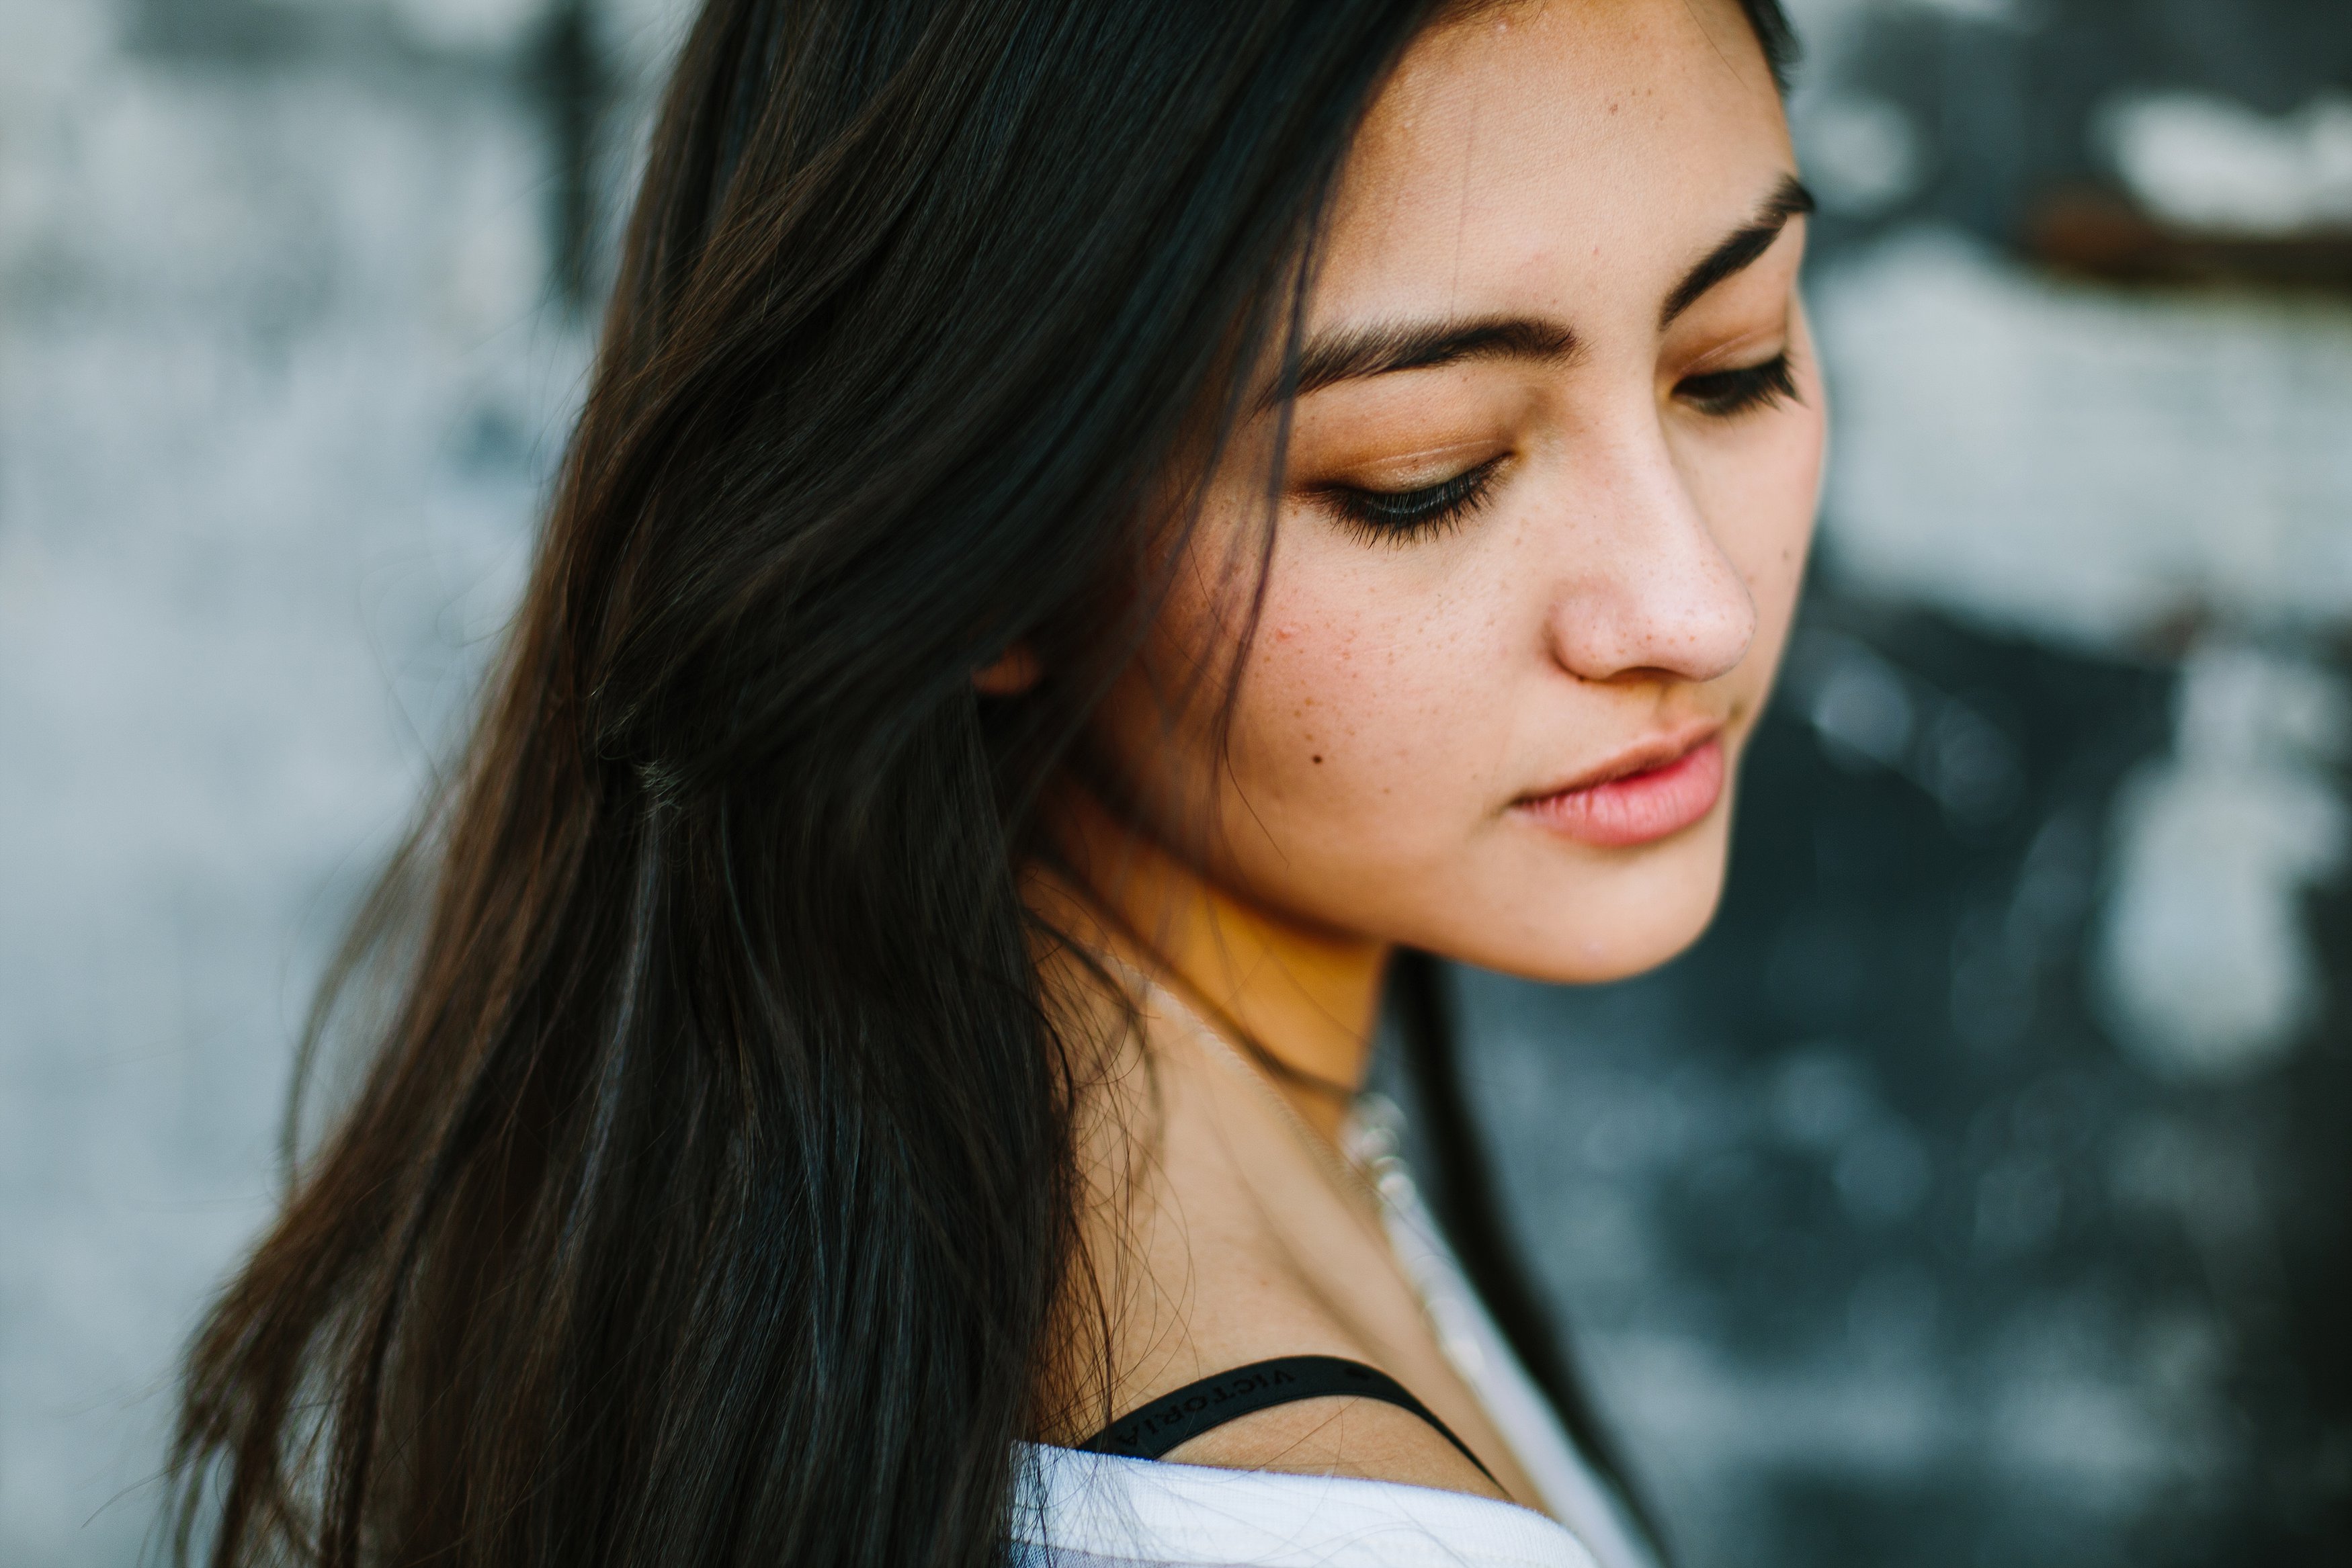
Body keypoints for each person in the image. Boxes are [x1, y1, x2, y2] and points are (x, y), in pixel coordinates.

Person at [172, 1, 1820, 1565]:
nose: (1695, 608)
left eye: (1731, 364)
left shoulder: (849, 1206)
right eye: (1424, 476)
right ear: (984, 541)